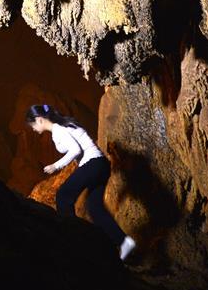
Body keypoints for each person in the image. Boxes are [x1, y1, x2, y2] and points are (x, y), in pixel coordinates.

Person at [25, 103, 136, 261]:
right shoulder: (65, 124)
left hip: (93, 164)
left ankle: (73, 242)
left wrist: (56, 166)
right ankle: (124, 242)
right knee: (95, 208)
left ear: (40, 120)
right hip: (101, 165)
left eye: (32, 125)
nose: (33, 129)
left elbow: (76, 150)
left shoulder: (58, 130)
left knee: (63, 196)